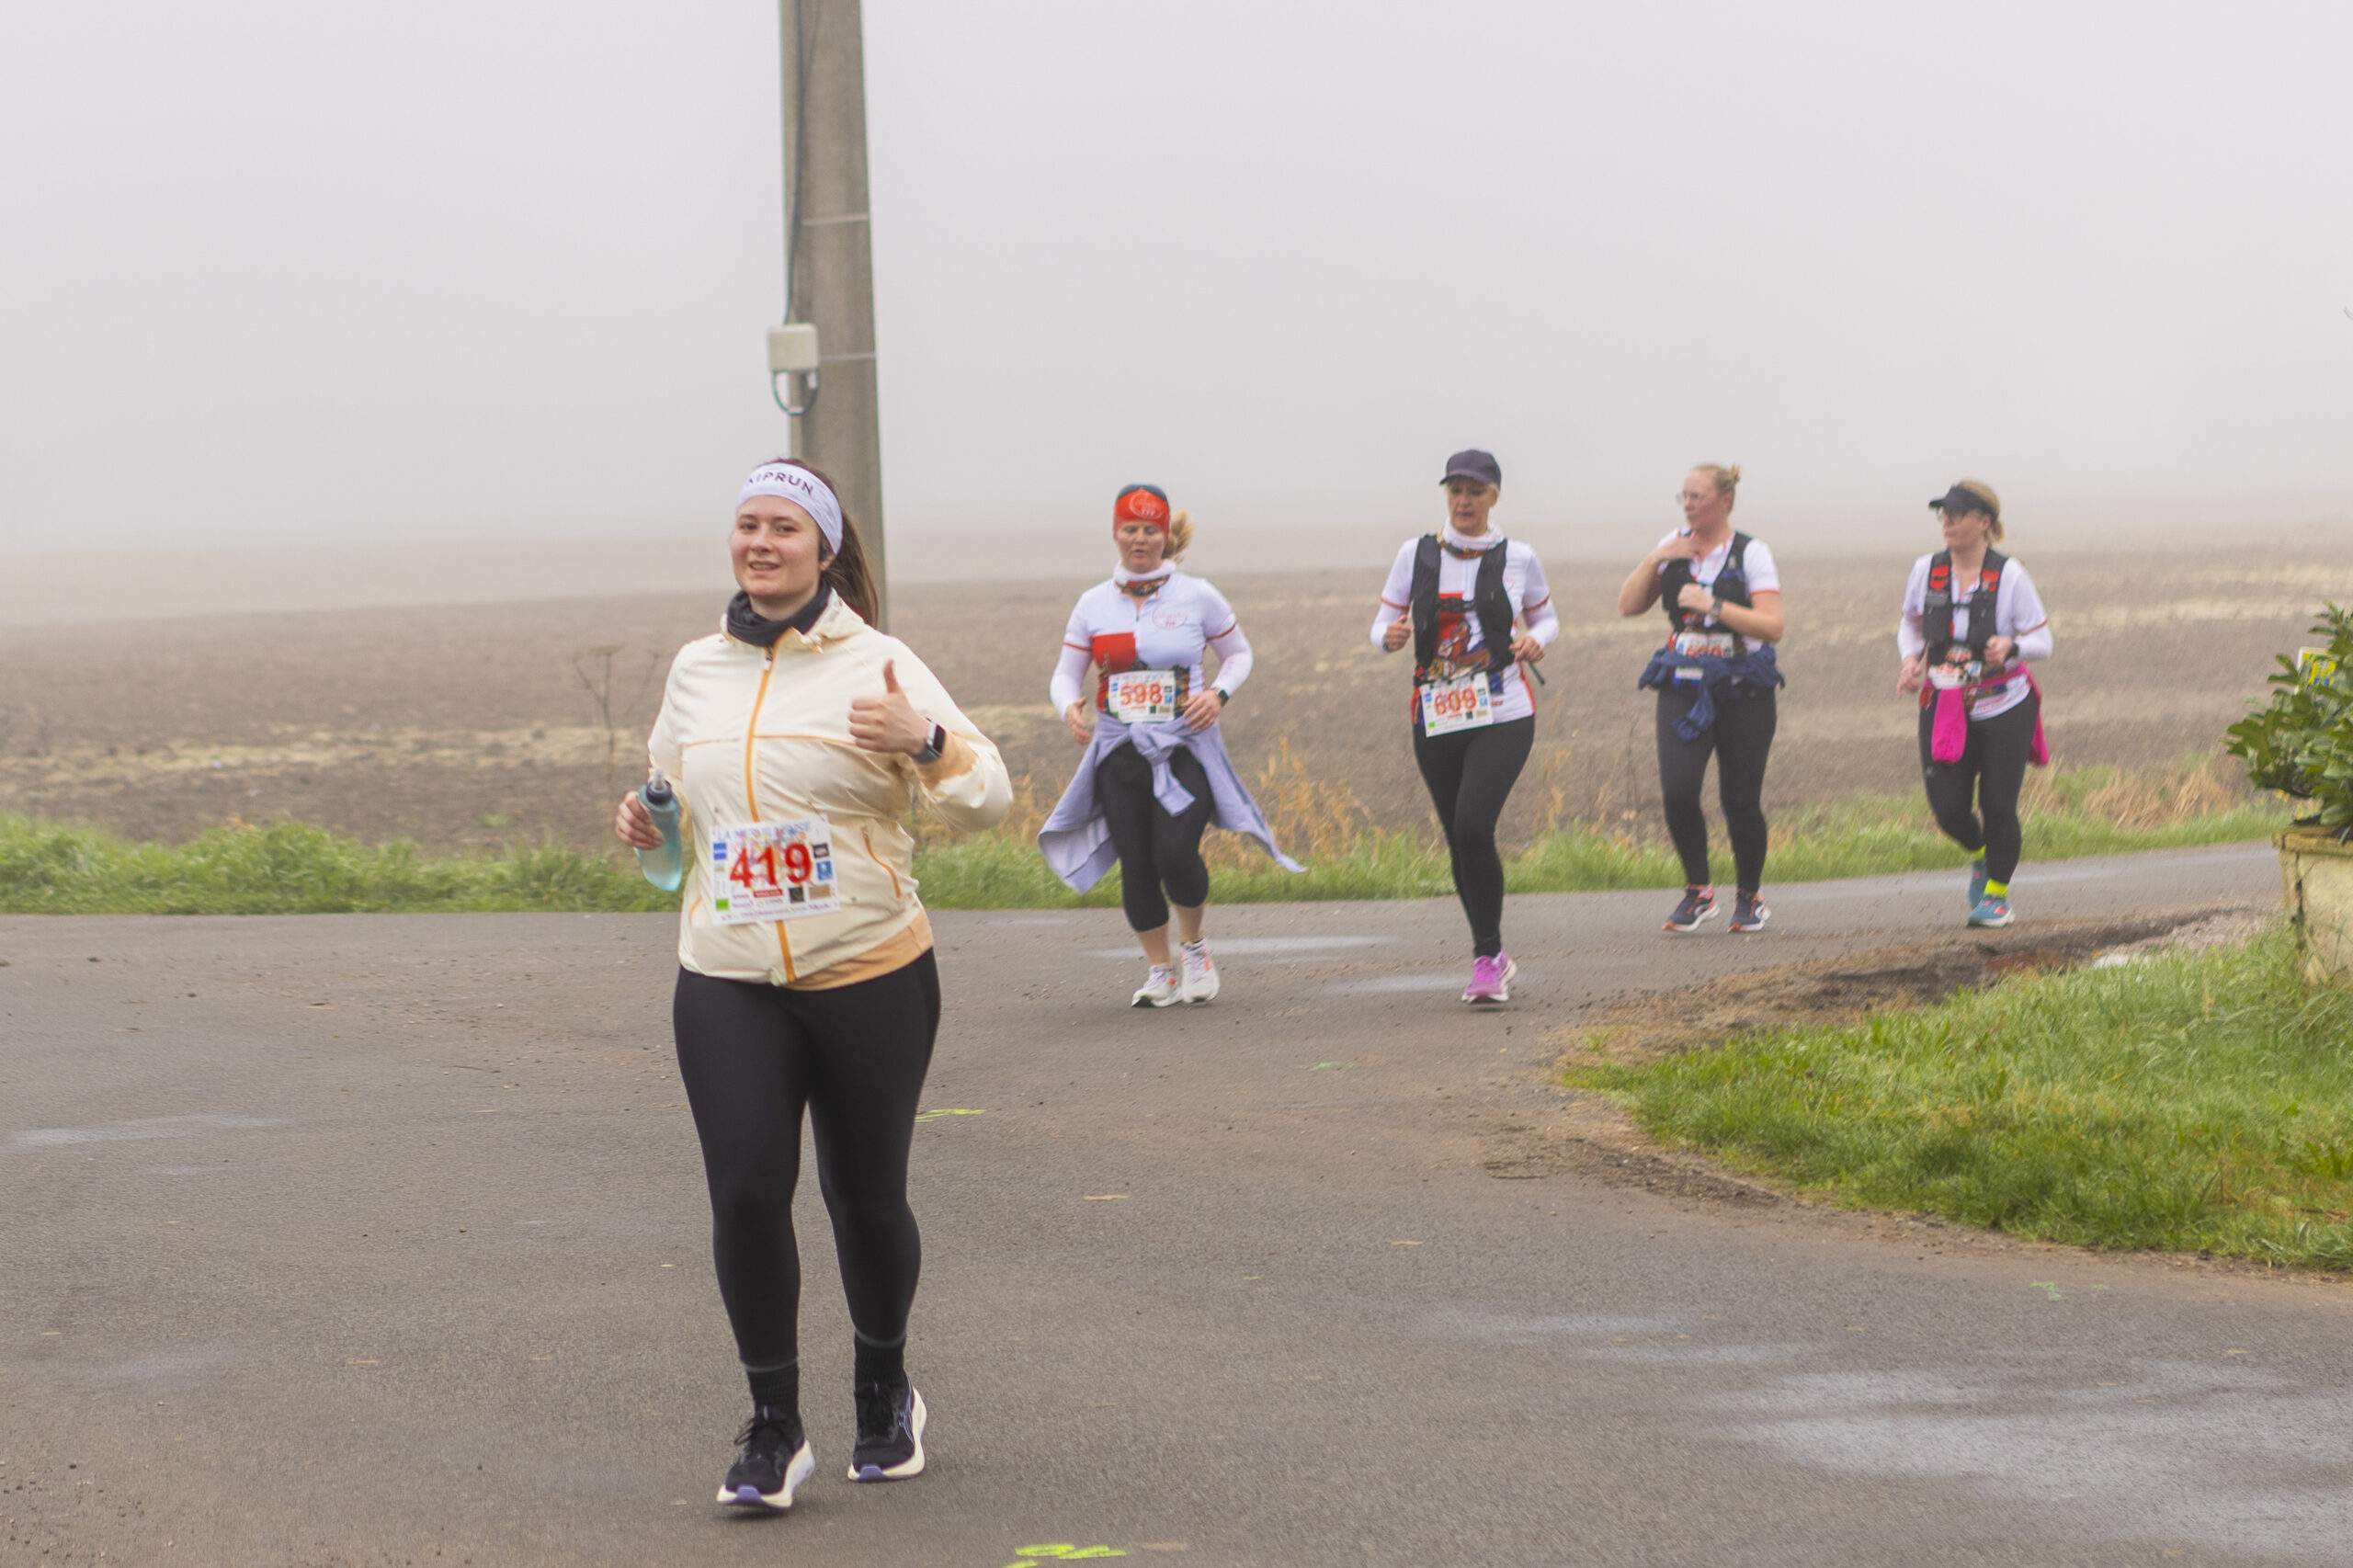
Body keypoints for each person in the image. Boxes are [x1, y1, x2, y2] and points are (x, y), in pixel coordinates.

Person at [615, 458, 1011, 1511]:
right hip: (728, 974)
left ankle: (883, 1388)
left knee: (863, 1195)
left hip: (868, 968)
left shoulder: (881, 662)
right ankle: (773, 1424)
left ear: (824, 549)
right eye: (747, 523)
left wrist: (925, 742)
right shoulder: (695, 669)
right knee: (745, 1191)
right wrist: (648, 820)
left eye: (783, 526)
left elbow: (988, 797)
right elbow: (672, 809)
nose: (760, 541)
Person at [1039, 483, 1299, 1006]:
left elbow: (1239, 655)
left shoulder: (1197, 595)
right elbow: (1065, 674)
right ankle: (1160, 971)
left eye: (1150, 530)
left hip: (1184, 747)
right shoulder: (1093, 604)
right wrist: (1068, 705)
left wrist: (1218, 695)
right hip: (1119, 752)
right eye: (1130, 529)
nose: (1139, 539)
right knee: (1136, 863)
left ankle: (1195, 947)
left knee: (1175, 853)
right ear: (1115, 533)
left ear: (1166, 536)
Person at [1370, 449, 1558, 1004]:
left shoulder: (1518, 557)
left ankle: (1486, 957)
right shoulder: (1415, 554)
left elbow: (1546, 618)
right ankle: (1490, 955)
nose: (1464, 501)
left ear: (1493, 497)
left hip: (1503, 710)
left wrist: (1535, 640)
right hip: (1436, 710)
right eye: (1455, 490)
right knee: (1458, 838)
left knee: (1475, 826)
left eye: (1475, 492)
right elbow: (1382, 622)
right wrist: (1388, 638)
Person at [1617, 463, 1786, 935]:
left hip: (1742, 686)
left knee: (1740, 798)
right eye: (1684, 498)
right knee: (1678, 790)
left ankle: (1750, 896)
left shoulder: (1751, 553)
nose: (1689, 506)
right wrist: (1655, 558)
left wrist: (1713, 605)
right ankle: (1698, 891)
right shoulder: (1672, 547)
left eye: (1698, 497)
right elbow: (1628, 605)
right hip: (1683, 684)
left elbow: (1772, 626)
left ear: (1725, 501)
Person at [1897, 479, 2052, 927]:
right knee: (1947, 809)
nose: (1946, 522)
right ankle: (1982, 854)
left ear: (1984, 522)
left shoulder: (2010, 576)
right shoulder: (1926, 570)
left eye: (1957, 514)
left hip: (2004, 705)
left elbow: (2043, 640)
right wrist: (1910, 659)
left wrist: (2012, 646)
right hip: (1943, 703)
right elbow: (1910, 624)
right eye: (1943, 514)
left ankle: (1997, 896)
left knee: (1999, 805)